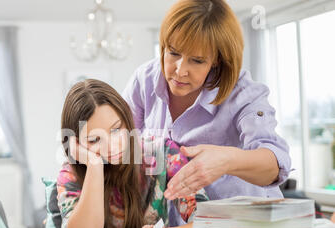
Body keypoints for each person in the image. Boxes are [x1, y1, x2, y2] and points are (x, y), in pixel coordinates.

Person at [122, 0, 291, 208]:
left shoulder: (242, 94)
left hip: (240, 224)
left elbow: (275, 163)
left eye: (197, 60)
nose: (180, 70)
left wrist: (226, 160)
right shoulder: (145, 80)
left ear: (217, 60)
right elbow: (122, 140)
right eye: (173, 53)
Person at [57, 79, 207, 228]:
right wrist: (94, 167)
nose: (111, 146)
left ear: (127, 119)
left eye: (116, 129)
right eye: (94, 140)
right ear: (76, 143)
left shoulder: (163, 153)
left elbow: (208, 223)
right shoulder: (70, 175)